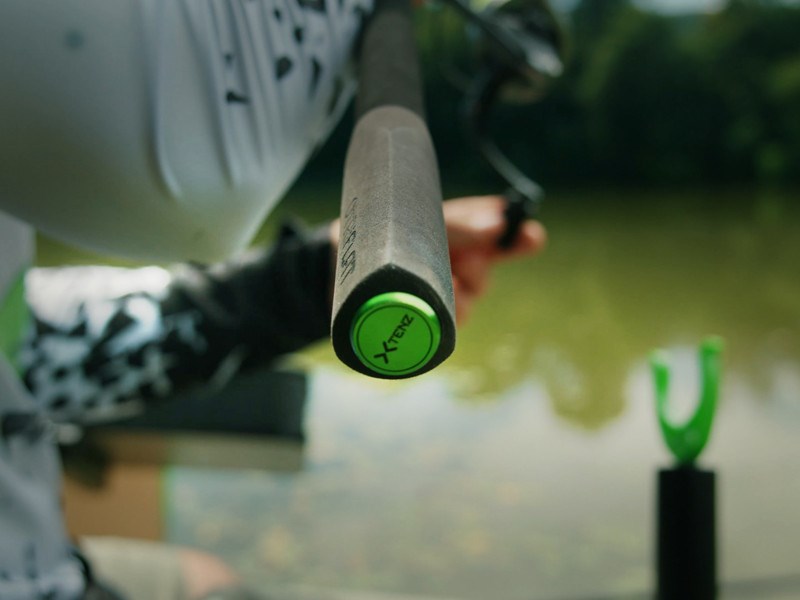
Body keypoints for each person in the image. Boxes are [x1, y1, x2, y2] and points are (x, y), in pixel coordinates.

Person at [0, 0, 546, 598]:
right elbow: (207, 180)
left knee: (210, 581)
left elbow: (24, 346)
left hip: (40, 545)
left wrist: (313, 280)